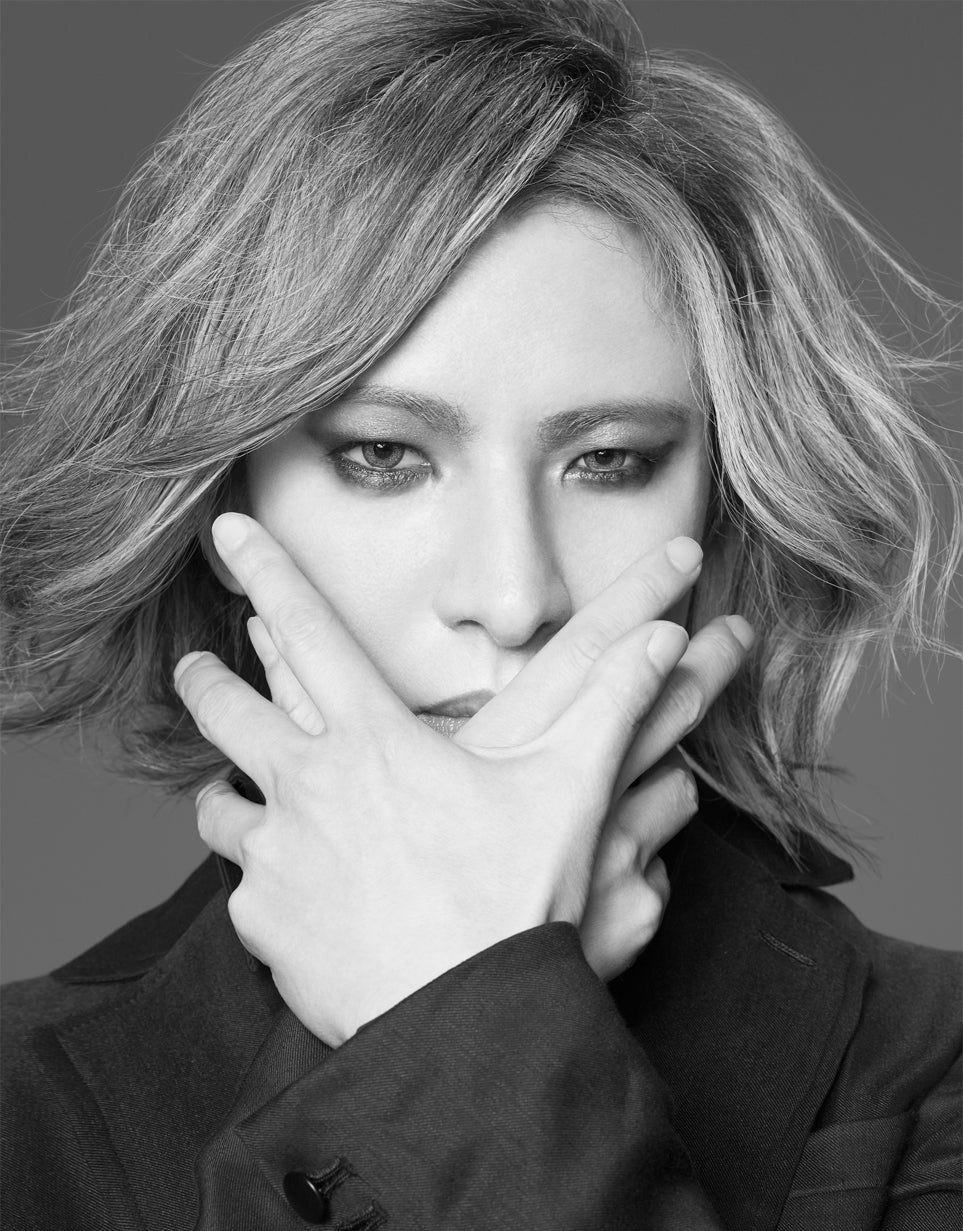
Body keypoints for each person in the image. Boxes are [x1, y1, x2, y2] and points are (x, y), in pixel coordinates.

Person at [1, 1, 959, 1227]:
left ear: (721, 502)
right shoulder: (22, 1112)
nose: (513, 600)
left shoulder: (928, 1068)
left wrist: (462, 1003)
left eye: (609, 461)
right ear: (225, 500)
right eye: (385, 456)